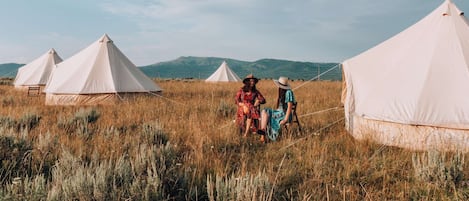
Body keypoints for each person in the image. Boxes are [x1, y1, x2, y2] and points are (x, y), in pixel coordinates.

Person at [257, 76, 296, 143]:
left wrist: (285, 119)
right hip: (279, 112)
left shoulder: (288, 92)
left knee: (268, 115)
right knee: (264, 111)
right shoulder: (282, 92)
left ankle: (263, 136)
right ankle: (263, 131)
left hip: (285, 114)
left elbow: (289, 107)